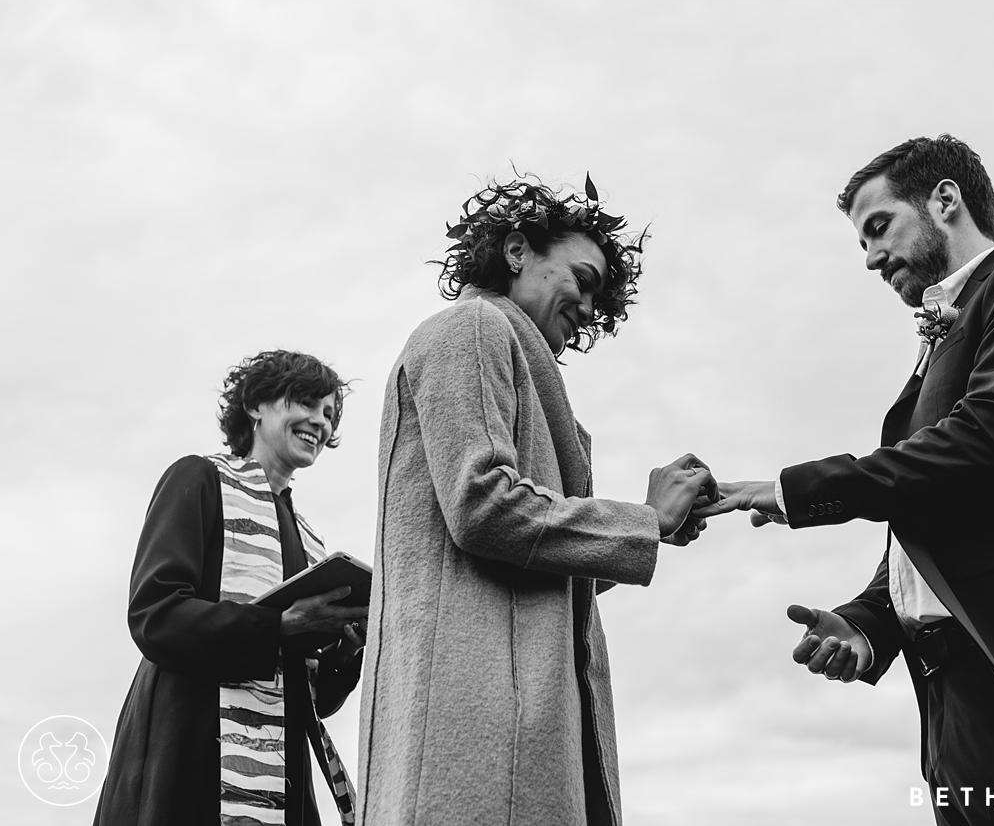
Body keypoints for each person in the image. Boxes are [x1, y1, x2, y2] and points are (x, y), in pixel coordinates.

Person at [700, 135, 994, 824]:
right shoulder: (932, 347)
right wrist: (868, 626)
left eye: (878, 227)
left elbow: (989, 439)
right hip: (955, 706)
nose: (870, 258)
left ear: (944, 200)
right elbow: (930, 520)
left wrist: (784, 489)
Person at [358, 174, 715, 826]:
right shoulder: (471, 329)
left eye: (600, 293)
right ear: (518, 249)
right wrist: (641, 522)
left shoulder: (509, 359)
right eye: (581, 275)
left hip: (505, 721)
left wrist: (643, 530)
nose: (588, 301)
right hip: (482, 730)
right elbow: (485, 508)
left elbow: (533, 567)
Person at [95, 351, 367, 826]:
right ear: (257, 405)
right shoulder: (200, 478)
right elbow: (154, 614)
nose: (320, 423)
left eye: (329, 414)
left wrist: (344, 652)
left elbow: (308, 697)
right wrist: (278, 625)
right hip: (191, 744)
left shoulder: (312, 542)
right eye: (305, 403)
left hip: (282, 768)